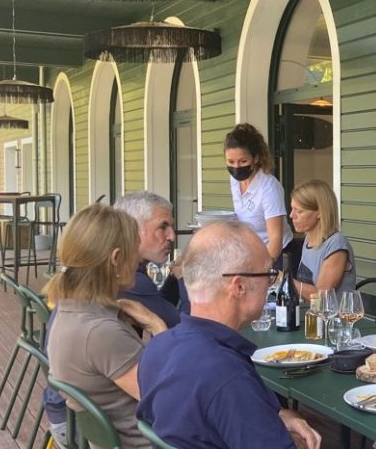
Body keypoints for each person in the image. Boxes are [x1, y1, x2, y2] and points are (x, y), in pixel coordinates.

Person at [136, 220, 322, 449]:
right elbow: (228, 397)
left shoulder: (158, 348)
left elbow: (210, 418)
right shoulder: (227, 377)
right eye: (268, 274)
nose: (270, 283)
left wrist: (278, 416)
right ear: (238, 286)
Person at [44, 204, 168, 448]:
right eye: (135, 249)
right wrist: (157, 327)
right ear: (116, 258)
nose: (138, 258)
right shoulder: (100, 333)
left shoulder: (69, 311)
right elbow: (166, 402)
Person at [114, 191, 189, 325]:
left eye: (171, 227)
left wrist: (174, 277)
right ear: (133, 229)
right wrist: (185, 280)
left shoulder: (122, 268)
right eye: (163, 227)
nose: (172, 236)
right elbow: (184, 329)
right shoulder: (131, 279)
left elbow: (157, 305)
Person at [224, 123, 293, 265]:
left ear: (255, 158)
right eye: (231, 161)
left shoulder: (269, 188)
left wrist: (262, 269)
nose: (236, 167)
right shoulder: (235, 180)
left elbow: (275, 239)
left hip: (277, 254)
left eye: (243, 161)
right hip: (251, 251)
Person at [289, 179, 356, 298]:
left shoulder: (336, 244)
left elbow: (321, 296)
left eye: (299, 211)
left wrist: (284, 280)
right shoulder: (308, 239)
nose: (292, 215)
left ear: (319, 212)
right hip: (311, 315)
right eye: (292, 209)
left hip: (333, 316)